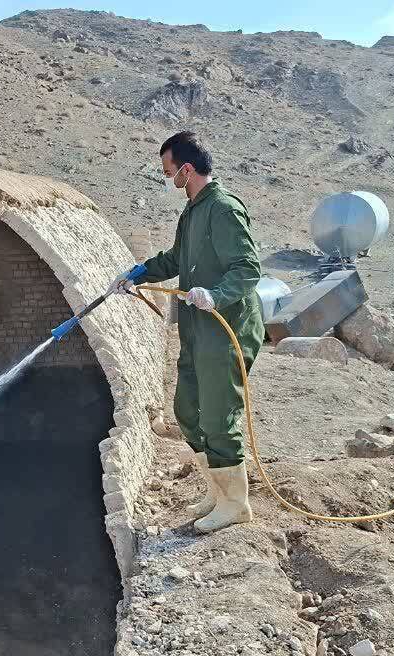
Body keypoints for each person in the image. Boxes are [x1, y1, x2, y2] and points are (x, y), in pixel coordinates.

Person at [112, 131, 265, 533]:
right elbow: (178, 258)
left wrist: (216, 295)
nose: (167, 179)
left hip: (225, 326)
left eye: (169, 171)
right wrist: (139, 273)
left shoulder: (224, 209)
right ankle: (217, 490)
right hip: (198, 326)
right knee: (187, 409)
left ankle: (235, 503)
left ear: (187, 168)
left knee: (218, 413)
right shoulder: (193, 211)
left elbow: (247, 269)